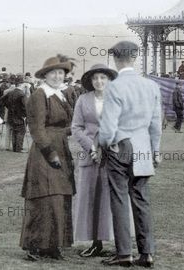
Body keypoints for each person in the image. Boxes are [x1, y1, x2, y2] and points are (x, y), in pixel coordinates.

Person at [98, 41, 161, 268]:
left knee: (119, 199)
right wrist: (156, 151)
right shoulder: (151, 86)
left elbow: (108, 127)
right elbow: (156, 124)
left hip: (120, 146)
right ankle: (147, 253)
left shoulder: (114, 86)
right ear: (135, 57)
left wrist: (105, 144)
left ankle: (124, 253)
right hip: (143, 146)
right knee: (142, 199)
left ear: (115, 59)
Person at [20, 55, 76, 261]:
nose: (57, 76)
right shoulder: (39, 94)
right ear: (45, 75)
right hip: (45, 153)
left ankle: (53, 245)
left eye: (61, 72)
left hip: (61, 148)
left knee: (60, 198)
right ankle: (34, 245)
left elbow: (67, 125)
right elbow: (37, 129)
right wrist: (50, 154)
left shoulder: (61, 95)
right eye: (53, 72)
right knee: (44, 198)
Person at [72, 63, 118, 258]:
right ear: (91, 82)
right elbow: (76, 127)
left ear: (108, 80)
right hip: (89, 156)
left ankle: (116, 242)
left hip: (112, 155)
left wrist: (106, 146)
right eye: (95, 78)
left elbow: (122, 125)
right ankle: (95, 243)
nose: (99, 81)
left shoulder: (116, 99)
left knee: (111, 198)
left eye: (102, 78)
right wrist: (91, 146)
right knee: (91, 198)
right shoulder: (83, 99)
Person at [0, 74, 27, 152]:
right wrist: (25, 115)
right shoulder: (21, 94)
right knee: (21, 131)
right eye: (24, 83)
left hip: (11, 115)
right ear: (21, 84)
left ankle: (15, 147)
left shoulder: (10, 92)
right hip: (19, 116)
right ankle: (18, 148)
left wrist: (9, 107)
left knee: (14, 131)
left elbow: (1, 100)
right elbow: (25, 106)